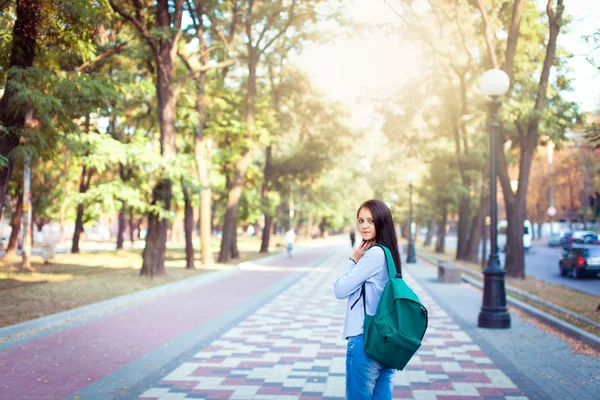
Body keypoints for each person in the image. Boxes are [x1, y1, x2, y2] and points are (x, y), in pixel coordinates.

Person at [334, 199, 402, 400]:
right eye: (361, 220)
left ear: (381, 222)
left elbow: (340, 289)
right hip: (385, 340)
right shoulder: (389, 253)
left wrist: (354, 259)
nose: (364, 226)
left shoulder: (374, 254)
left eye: (370, 221)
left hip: (365, 339)